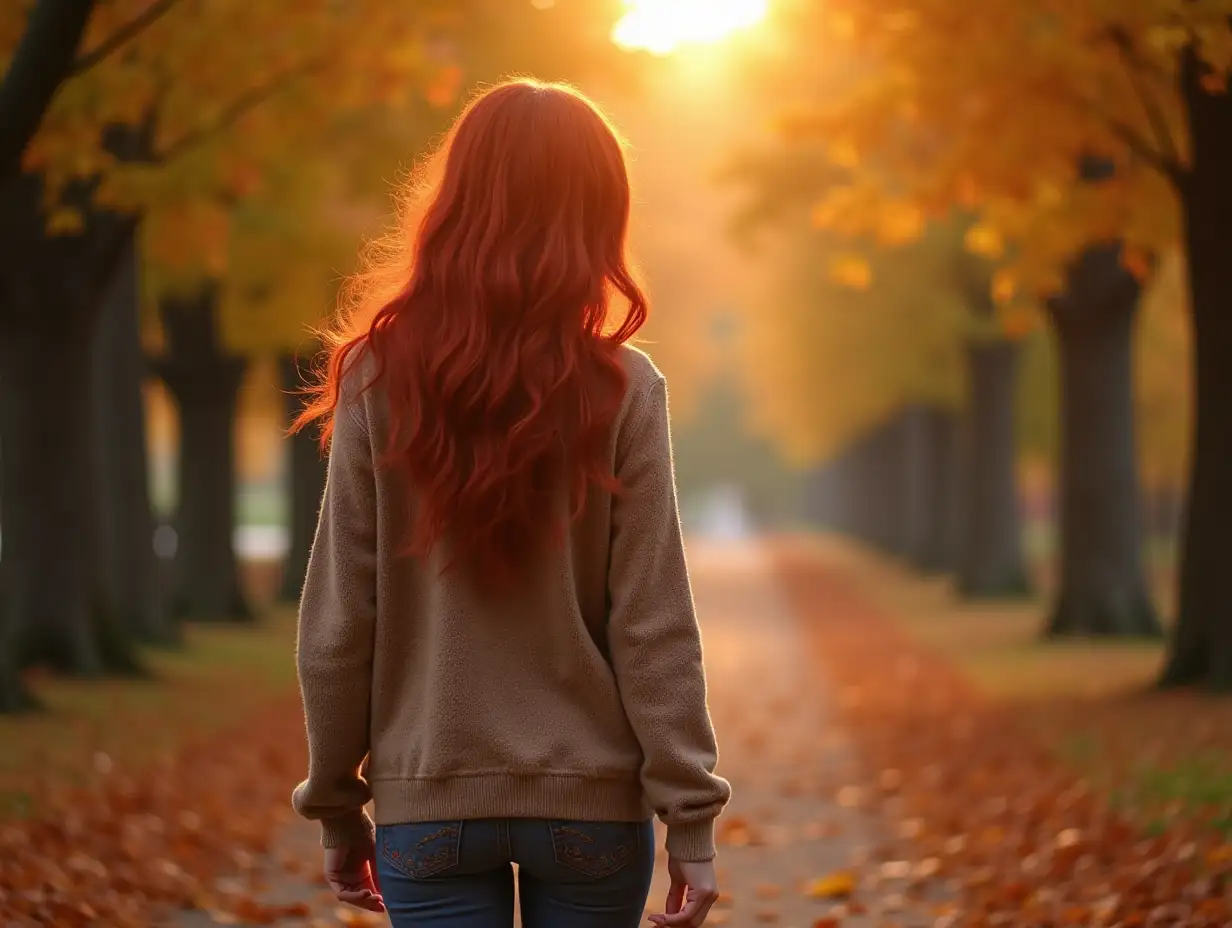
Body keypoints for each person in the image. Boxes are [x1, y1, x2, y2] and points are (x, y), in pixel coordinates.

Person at [289, 78, 731, 928]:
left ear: (456, 204)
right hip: (592, 807)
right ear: (598, 213)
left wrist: (338, 805)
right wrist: (691, 821)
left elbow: (341, 618)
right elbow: (652, 622)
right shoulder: (626, 388)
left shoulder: (376, 381)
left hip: (428, 803)